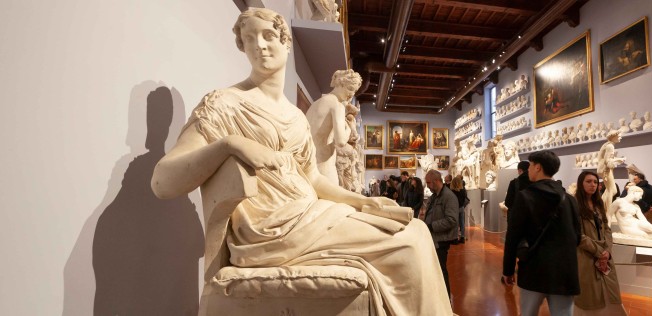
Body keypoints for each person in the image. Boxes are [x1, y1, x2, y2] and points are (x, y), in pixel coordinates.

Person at [149, 8, 452, 314]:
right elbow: (163, 182)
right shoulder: (223, 103)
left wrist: (360, 203)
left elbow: (314, 180)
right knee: (408, 244)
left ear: (285, 42)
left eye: (268, 36)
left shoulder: (295, 116)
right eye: (249, 38)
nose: (259, 45)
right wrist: (231, 144)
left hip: (312, 213)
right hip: (272, 229)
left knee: (417, 231)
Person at [502, 151, 581, 316]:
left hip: (533, 269)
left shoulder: (525, 198)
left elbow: (513, 236)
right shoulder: (570, 200)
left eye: (530, 165)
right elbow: (577, 237)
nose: (528, 169)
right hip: (564, 272)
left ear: (538, 167)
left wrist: (508, 270)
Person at [573, 171, 627, 315]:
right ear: (581, 183)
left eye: (595, 182)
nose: (593, 185)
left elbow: (607, 228)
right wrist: (598, 251)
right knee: (590, 297)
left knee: (610, 294)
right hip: (586, 256)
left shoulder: (598, 203)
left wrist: (607, 251)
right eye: (588, 181)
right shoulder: (574, 204)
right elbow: (578, 235)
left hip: (604, 255)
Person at [306, 69, 360, 183]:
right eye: (350, 89)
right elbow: (340, 142)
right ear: (340, 84)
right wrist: (348, 129)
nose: (351, 94)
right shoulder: (337, 105)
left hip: (309, 159)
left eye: (354, 91)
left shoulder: (316, 103)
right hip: (323, 162)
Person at [423, 170, 460, 298]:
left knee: (440, 271)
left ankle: (445, 300)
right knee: (435, 270)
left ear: (436, 181)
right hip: (433, 239)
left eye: (428, 182)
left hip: (441, 240)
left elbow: (452, 220)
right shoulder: (435, 196)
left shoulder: (449, 197)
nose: (427, 185)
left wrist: (431, 226)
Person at [451, 175, 468, 244]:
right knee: (462, 223)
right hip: (461, 207)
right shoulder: (463, 190)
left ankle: (455, 238)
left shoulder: (452, 191)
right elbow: (464, 199)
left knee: (455, 223)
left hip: (455, 208)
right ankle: (462, 237)